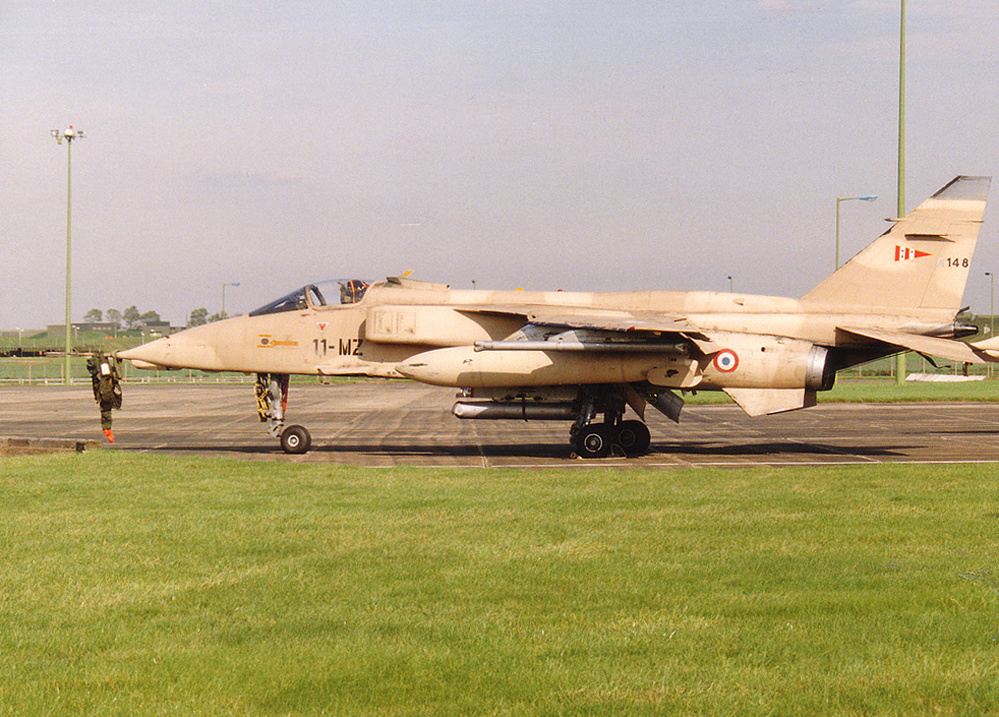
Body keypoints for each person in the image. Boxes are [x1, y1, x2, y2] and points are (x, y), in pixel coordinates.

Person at [86, 352, 122, 443]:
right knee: (106, 409)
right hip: (105, 392)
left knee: (106, 410)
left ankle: (107, 428)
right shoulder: (104, 369)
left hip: (104, 392)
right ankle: (106, 428)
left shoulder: (104, 369)